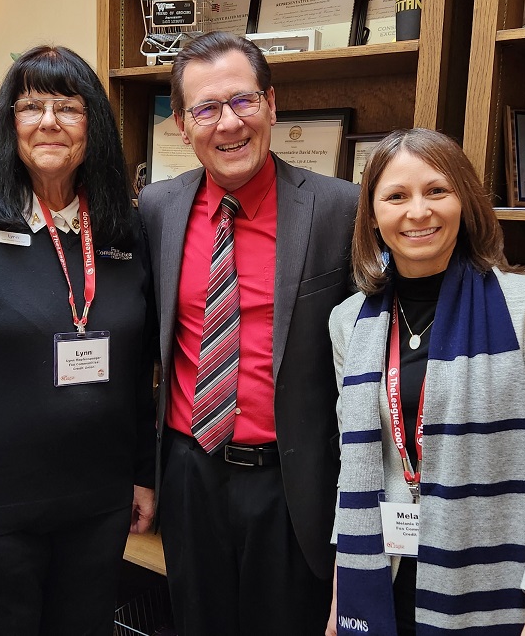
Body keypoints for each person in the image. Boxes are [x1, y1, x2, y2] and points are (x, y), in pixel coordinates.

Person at [0, 44, 156, 635]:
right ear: (9, 124)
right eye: (30, 106)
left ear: (92, 126)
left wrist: (142, 472)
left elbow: (135, 370)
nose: (49, 122)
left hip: (96, 501)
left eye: (68, 107)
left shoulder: (124, 227)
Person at [138, 31, 358, 635]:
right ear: (182, 124)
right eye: (206, 109)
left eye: (243, 101)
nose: (227, 123)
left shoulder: (342, 209)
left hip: (292, 483)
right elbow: (139, 349)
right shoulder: (155, 210)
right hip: (190, 474)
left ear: (271, 105)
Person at [327, 128, 525, 636]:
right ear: (373, 216)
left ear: (464, 201)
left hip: (499, 588)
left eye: (436, 191)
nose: (417, 211)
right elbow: (355, 471)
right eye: (396, 196)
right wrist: (342, 598)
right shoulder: (348, 322)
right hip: (383, 581)